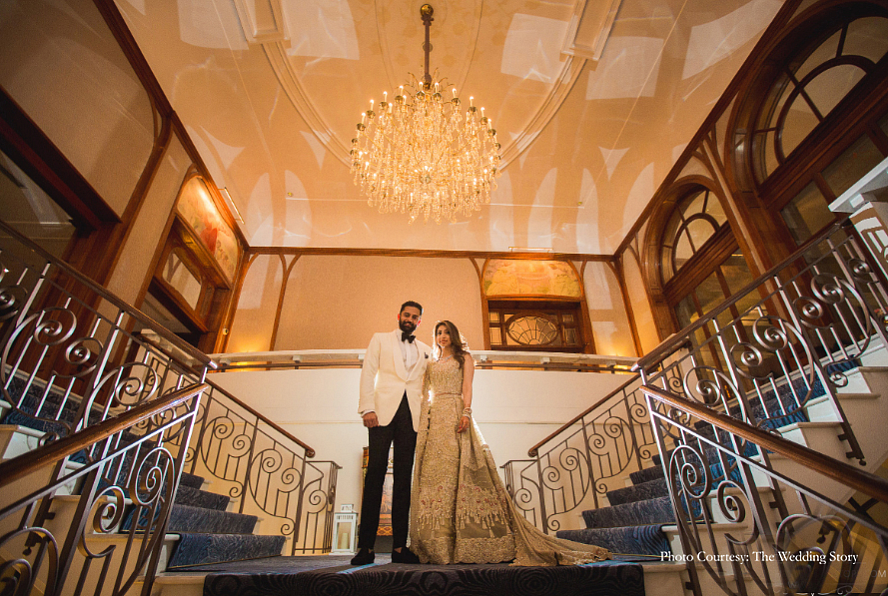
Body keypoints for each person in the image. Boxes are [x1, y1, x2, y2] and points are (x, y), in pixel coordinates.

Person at [408, 320, 611, 565]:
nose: (442, 336)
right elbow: (422, 392)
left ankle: (465, 540)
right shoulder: (430, 363)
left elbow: (467, 387)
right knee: (436, 477)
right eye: (438, 333)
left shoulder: (464, 359)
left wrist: (466, 412)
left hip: (454, 412)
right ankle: (437, 543)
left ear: (453, 334)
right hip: (434, 418)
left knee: (457, 474)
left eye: (446, 332)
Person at [352, 301, 431, 565]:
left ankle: (399, 548)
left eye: (415, 317)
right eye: (406, 315)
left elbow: (426, 385)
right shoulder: (380, 339)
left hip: (412, 417)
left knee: (403, 479)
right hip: (381, 413)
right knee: (374, 474)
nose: (410, 319)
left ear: (419, 321)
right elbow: (368, 373)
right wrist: (366, 408)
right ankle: (366, 548)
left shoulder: (426, 350)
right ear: (399, 316)